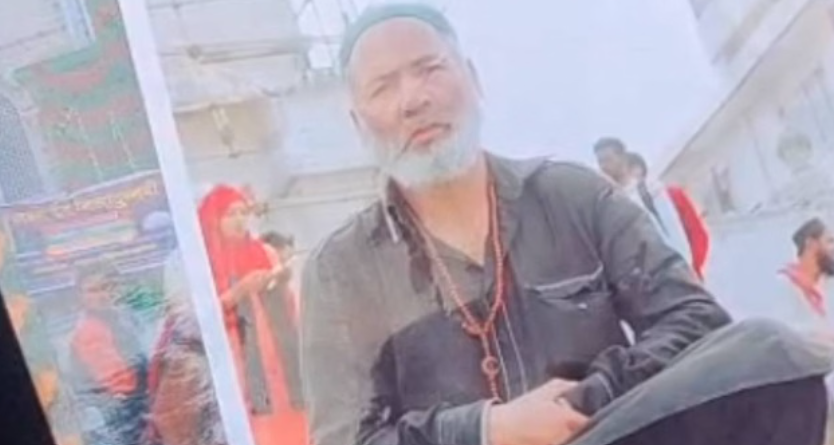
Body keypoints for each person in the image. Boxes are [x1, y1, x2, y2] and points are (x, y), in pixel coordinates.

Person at [300, 4, 832, 445]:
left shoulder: (573, 195)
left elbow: (694, 318)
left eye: (429, 69)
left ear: (474, 79)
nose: (413, 99)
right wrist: (488, 430)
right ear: (358, 124)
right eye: (383, 88)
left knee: (766, 349)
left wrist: (586, 399)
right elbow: (347, 439)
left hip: (605, 432)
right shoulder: (339, 272)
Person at [197, 185, 307, 445]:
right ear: (213, 219)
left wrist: (278, 281)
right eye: (230, 214)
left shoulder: (264, 252)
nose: (239, 220)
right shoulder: (202, 261)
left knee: (291, 421)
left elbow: (289, 308)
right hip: (235, 357)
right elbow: (196, 318)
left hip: (278, 357)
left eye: (243, 213)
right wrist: (238, 292)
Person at [68, 261, 148, 445]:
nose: (102, 295)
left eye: (106, 287)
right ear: (81, 297)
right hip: (126, 417)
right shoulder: (89, 331)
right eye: (93, 290)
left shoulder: (122, 319)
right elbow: (123, 385)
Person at [625, 151, 710, 279]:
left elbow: (697, 232)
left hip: (685, 271)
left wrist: (693, 267)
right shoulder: (626, 210)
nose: (631, 179)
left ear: (640, 169)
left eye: (630, 171)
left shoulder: (672, 195)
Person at [775, 218, 834, 332]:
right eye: (830, 241)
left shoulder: (828, 283)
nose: (833, 248)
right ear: (811, 244)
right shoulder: (786, 286)